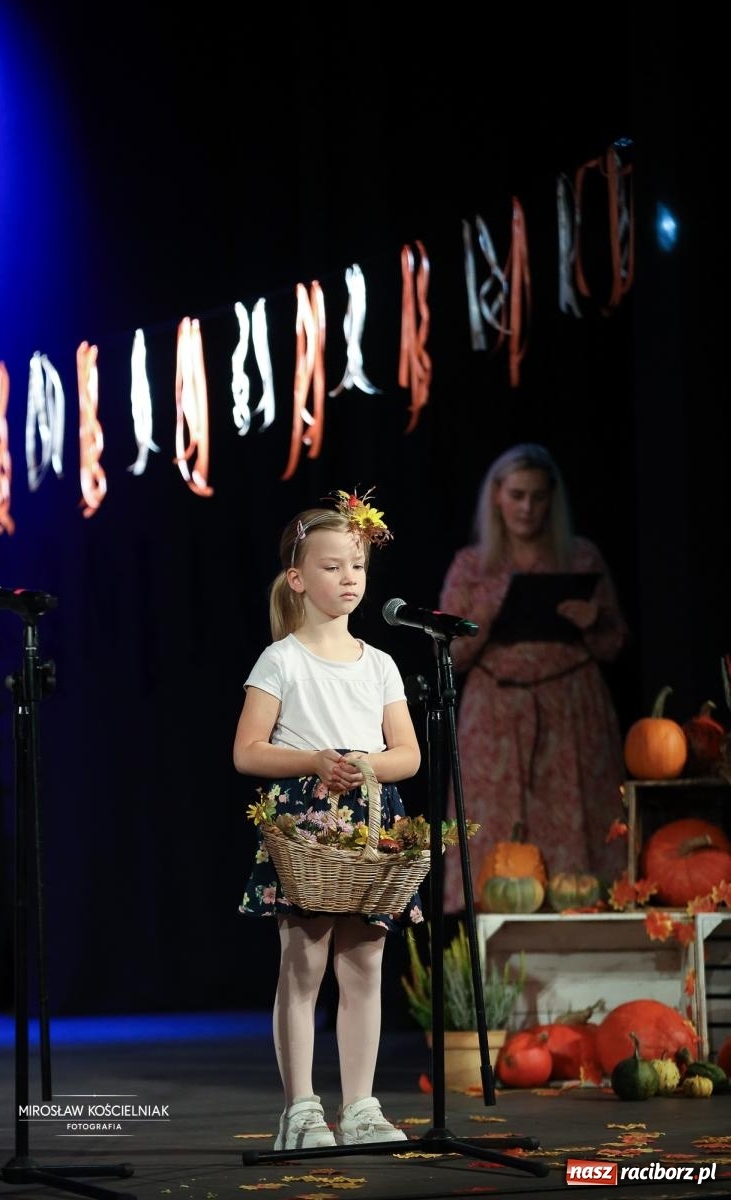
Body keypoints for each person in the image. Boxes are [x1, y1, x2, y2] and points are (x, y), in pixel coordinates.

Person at [235, 487, 423, 1152]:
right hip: (305, 821)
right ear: (298, 577)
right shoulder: (282, 659)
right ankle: (301, 1109)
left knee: (365, 963)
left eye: (358, 567)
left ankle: (363, 1105)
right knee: (304, 961)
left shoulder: (380, 664)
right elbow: (247, 750)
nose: (348, 578)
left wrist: (366, 765)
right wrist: (315, 758)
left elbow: (408, 753)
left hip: (370, 821)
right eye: (332, 566)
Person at [439, 443, 629, 912]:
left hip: (571, 706)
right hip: (497, 712)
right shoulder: (473, 565)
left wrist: (592, 619)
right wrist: (491, 606)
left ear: (552, 499)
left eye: (538, 497)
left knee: (580, 820)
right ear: (498, 497)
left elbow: (614, 644)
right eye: (517, 495)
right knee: (497, 830)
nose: (527, 507)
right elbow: (450, 653)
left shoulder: (579, 556)